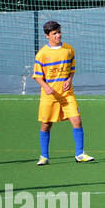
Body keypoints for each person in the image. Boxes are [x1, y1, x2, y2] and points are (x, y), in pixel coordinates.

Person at [33, 20, 91, 165]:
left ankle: (80, 154)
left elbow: (71, 70)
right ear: (47, 36)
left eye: (59, 32)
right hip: (50, 95)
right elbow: (37, 76)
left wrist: (69, 80)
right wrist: (45, 87)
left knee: (77, 120)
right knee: (46, 125)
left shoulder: (69, 49)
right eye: (55, 33)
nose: (58, 35)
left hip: (66, 93)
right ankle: (44, 156)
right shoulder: (42, 54)